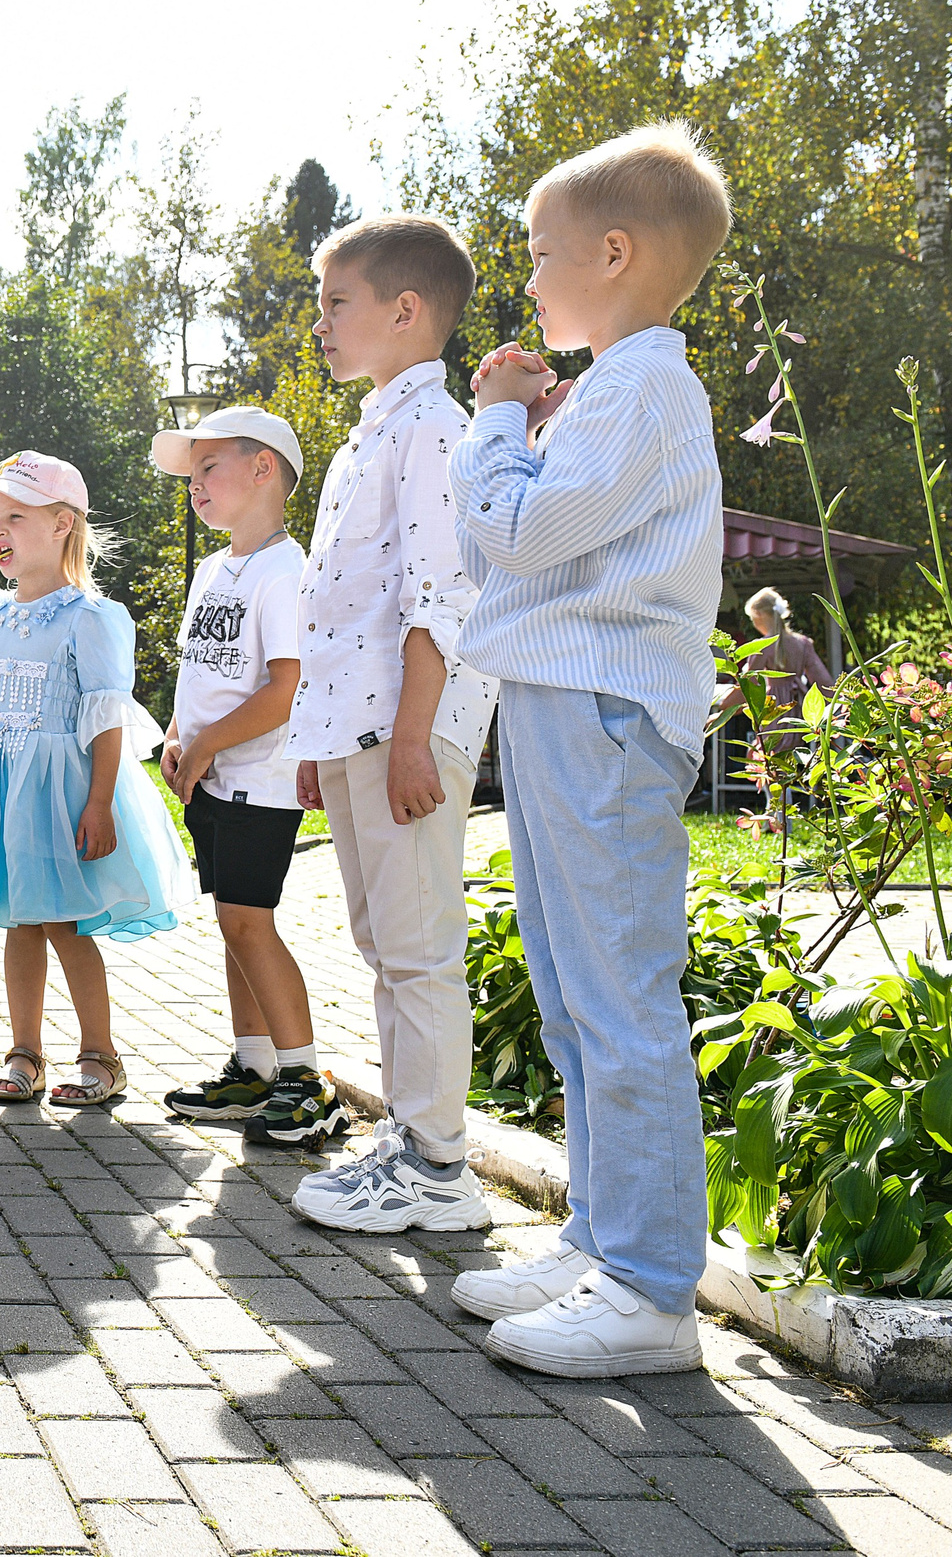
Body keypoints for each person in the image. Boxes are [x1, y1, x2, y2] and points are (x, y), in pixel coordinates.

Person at [450, 121, 732, 1377]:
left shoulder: (641, 388)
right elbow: (523, 545)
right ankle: (598, 1241)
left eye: (539, 252)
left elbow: (515, 533)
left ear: (612, 253)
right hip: (568, 697)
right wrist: (529, 426)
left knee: (616, 1001)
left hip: (602, 707)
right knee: (575, 998)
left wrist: (498, 422)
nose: (526, 278)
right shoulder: (614, 391)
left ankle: (651, 1288)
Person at [283, 213, 500, 1231]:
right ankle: (410, 1142)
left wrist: (411, 738)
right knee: (385, 944)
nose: (318, 323)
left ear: (403, 310)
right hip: (358, 732)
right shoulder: (370, 433)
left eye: (335, 302)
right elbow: (340, 611)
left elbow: (436, 596)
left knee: (417, 949)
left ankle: (437, 1167)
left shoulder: (431, 432)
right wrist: (316, 745)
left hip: (403, 731)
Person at [0, 451, 192, 1107]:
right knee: (20, 921)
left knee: (66, 921)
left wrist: (100, 801)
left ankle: (101, 1054)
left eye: (15, 517)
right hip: (4, 790)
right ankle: (24, 1053)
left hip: (63, 792)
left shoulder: (89, 616)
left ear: (63, 522)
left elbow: (106, 713)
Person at [149, 410, 322, 1134]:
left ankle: (306, 1081)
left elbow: (287, 688)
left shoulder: (287, 571)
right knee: (233, 922)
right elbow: (203, 674)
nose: (195, 485)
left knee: (252, 923)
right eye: (191, 476)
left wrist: (212, 740)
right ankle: (253, 1070)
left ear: (264, 470)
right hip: (213, 775)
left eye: (209, 467)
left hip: (262, 778)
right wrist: (179, 732)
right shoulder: (214, 568)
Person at [724, 586, 833, 826]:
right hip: (797, 710)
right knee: (784, 760)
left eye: (753, 619)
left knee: (765, 757)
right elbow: (822, 679)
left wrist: (724, 705)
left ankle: (779, 814)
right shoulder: (803, 643)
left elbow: (749, 683)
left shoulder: (761, 646)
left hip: (772, 709)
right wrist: (837, 701)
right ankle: (778, 812)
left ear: (761, 616)